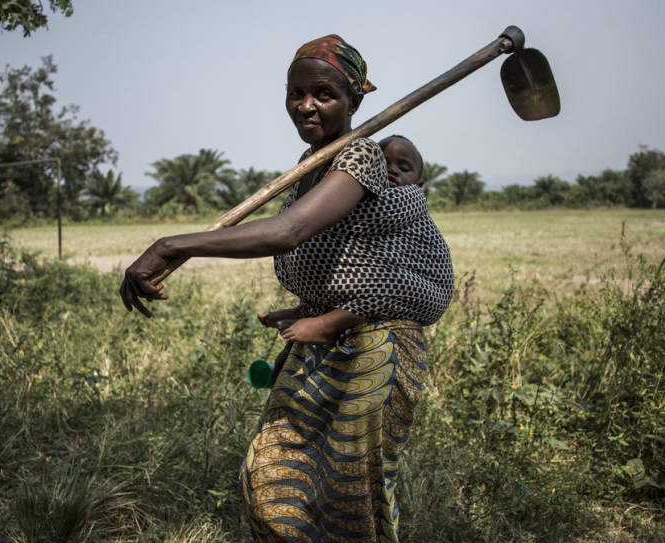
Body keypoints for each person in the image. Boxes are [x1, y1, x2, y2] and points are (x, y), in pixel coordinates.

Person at [119, 34, 453, 542]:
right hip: (321, 344)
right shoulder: (310, 164)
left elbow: (290, 231)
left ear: (354, 102)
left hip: (374, 345)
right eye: (296, 92)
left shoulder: (359, 156)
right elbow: (346, 255)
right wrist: (304, 305)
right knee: (274, 473)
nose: (306, 105)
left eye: (324, 93)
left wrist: (170, 245)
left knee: (348, 493)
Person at [257, 134, 436, 348]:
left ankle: (327, 325)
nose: (391, 170)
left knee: (381, 280)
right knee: (342, 265)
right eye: (382, 163)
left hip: (420, 288)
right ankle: (307, 310)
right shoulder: (364, 194)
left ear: (418, 184)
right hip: (374, 282)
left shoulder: (407, 199)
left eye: (403, 168)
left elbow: (326, 220)